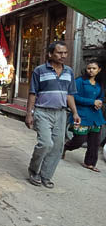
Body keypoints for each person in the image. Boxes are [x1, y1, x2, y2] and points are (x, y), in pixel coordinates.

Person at [26, 41, 80, 189]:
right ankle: (33, 170)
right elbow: (32, 93)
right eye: (59, 53)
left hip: (61, 113)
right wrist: (29, 114)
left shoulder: (68, 71)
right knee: (45, 143)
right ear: (50, 54)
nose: (63, 56)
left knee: (57, 147)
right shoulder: (40, 70)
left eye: (65, 53)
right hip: (42, 112)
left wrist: (75, 112)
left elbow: (70, 95)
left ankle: (46, 175)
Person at [63, 62, 104, 172]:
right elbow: (74, 97)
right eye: (89, 68)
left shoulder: (99, 83)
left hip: (96, 117)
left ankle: (89, 163)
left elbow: (101, 96)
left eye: (94, 68)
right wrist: (92, 102)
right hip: (82, 115)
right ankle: (65, 147)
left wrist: (99, 101)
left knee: (95, 142)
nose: (91, 70)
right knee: (79, 140)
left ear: (99, 69)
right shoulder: (80, 81)